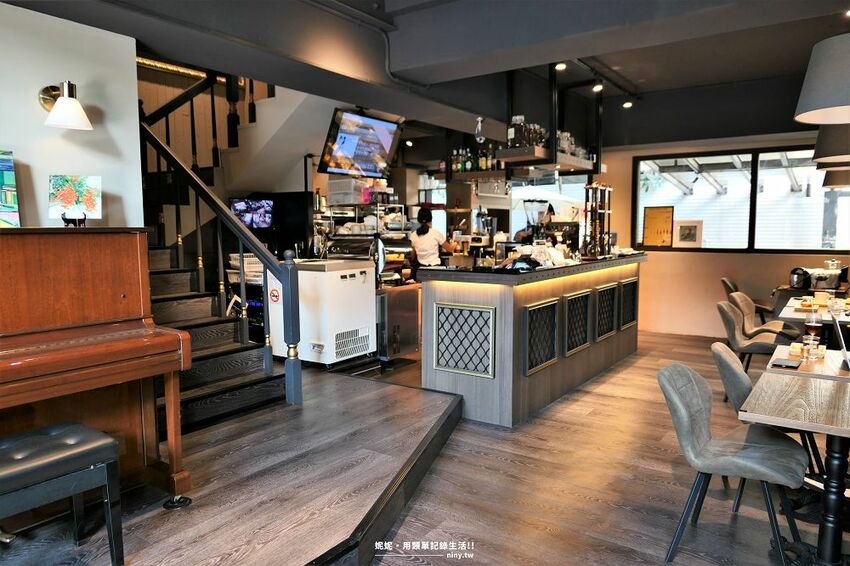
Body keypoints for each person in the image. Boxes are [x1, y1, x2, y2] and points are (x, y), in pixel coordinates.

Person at [410, 208, 455, 277]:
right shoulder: (435, 233)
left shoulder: (413, 235)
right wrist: (455, 243)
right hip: (435, 269)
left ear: (418, 220)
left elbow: (412, 255)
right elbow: (450, 249)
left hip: (421, 270)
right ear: (431, 219)